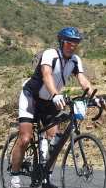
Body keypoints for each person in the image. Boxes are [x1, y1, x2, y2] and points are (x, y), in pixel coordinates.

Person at [10, 26, 94, 188]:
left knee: (56, 141)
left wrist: (95, 97)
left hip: (49, 102)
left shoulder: (75, 60)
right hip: (31, 98)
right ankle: (14, 176)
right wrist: (56, 95)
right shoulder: (50, 54)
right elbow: (47, 75)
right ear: (62, 42)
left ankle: (45, 177)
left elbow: (83, 80)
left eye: (75, 43)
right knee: (26, 137)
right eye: (69, 42)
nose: (72, 45)